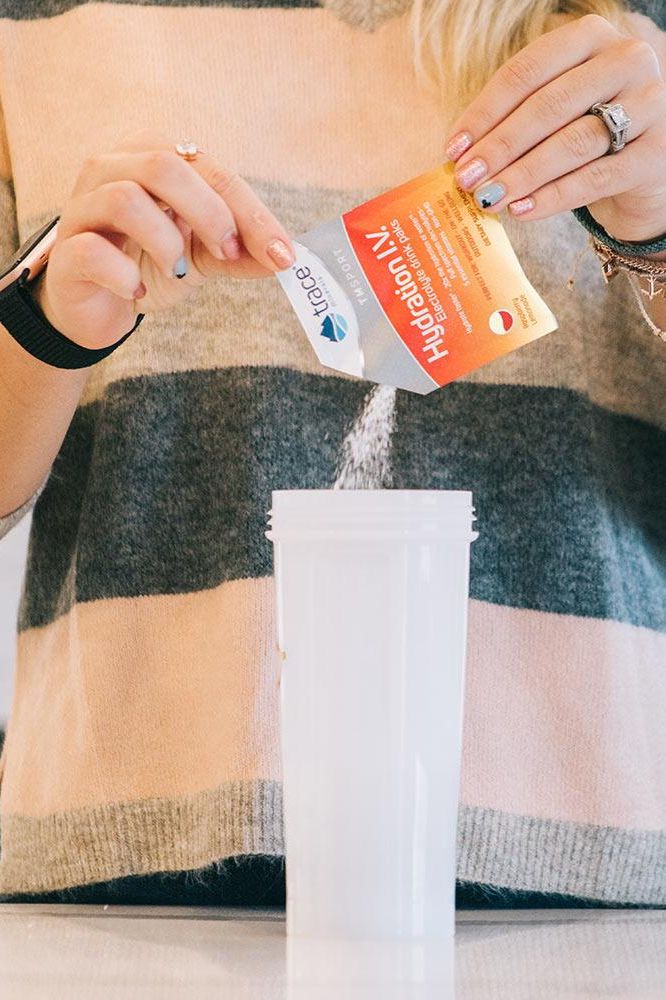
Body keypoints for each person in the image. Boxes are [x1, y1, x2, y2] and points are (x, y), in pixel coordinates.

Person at [0, 0, 664, 908]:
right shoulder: (30, 28)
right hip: (126, 860)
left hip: (571, 864)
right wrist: (45, 327)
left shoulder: (637, 34)